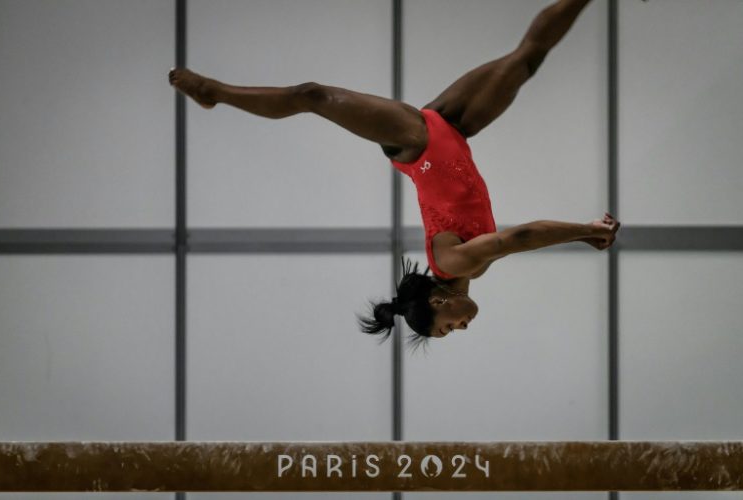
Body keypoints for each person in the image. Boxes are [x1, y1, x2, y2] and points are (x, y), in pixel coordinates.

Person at [169, 0, 620, 348]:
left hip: (418, 144)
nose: (460, 328)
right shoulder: (470, 270)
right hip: (453, 132)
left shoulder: (455, 264)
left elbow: (517, 238)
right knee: (527, 57)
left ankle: (216, 93)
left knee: (314, 96)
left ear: (437, 302)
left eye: (447, 329)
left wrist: (585, 231)